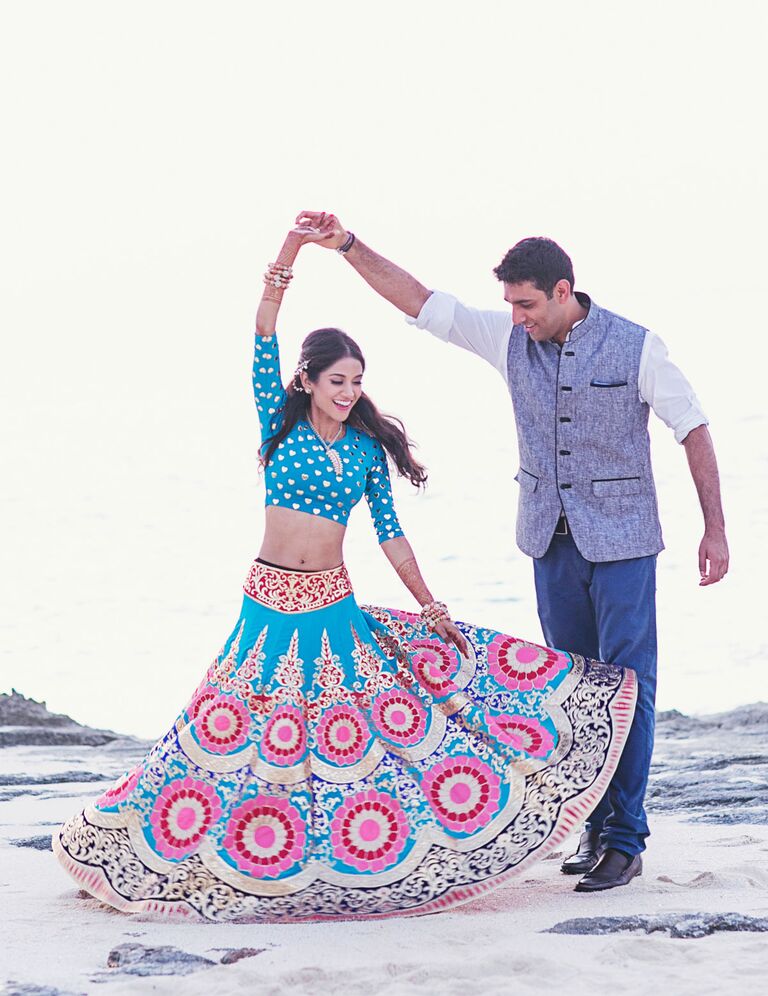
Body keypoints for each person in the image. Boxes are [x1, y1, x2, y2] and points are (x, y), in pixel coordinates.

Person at [53, 222, 637, 921]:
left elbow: (391, 538)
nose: (349, 393)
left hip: (332, 608)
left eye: (358, 383)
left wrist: (430, 606)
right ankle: (230, 846)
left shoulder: (364, 451)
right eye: (337, 381)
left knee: (347, 746)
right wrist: (292, 252)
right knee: (236, 736)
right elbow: (264, 327)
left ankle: (351, 855)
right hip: (266, 603)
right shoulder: (279, 419)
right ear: (306, 380)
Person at [296, 211, 729, 893]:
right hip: (548, 539)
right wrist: (347, 246)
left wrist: (715, 529)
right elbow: (421, 302)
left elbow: (693, 426)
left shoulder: (638, 347)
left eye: (526, 303)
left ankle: (625, 837)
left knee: (629, 685)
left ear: (562, 291)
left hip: (623, 543)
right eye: (509, 305)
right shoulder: (507, 337)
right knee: (575, 691)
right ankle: (591, 822)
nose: (516, 316)